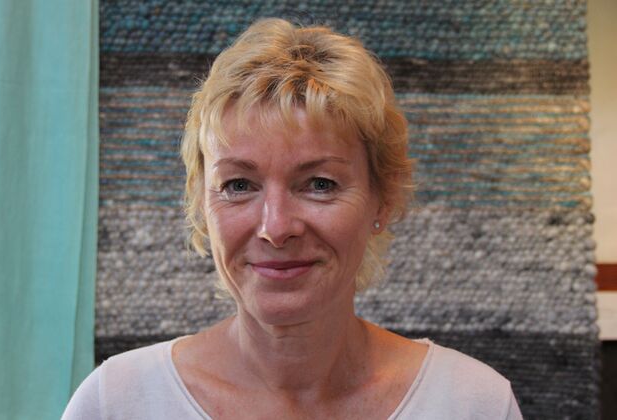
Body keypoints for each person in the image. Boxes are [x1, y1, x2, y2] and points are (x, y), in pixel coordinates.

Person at [63, 18, 523, 420]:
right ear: (202, 204)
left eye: (319, 183)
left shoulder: (473, 403)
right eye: (238, 185)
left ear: (382, 200)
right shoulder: (116, 402)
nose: (276, 227)